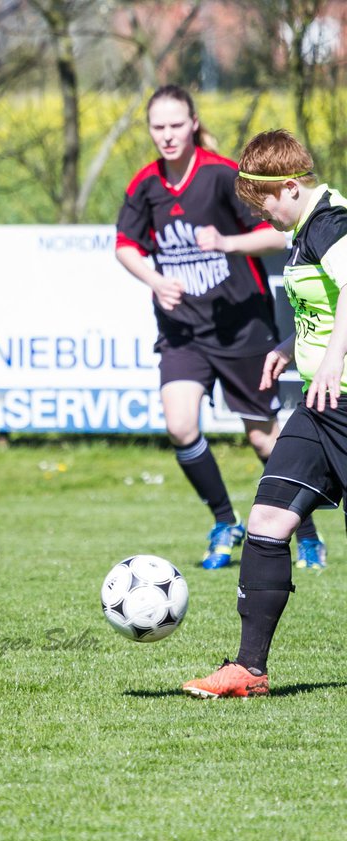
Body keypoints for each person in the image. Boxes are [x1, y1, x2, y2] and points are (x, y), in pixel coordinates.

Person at [115, 85, 325, 571]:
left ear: (192, 124)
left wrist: (227, 242)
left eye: (174, 125)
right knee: (180, 423)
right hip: (182, 330)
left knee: (262, 439)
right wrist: (153, 278)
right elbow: (124, 244)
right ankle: (223, 519)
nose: (166, 135)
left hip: (239, 326)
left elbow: (276, 229)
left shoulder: (221, 174)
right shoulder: (145, 184)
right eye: (157, 127)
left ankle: (306, 529)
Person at [182, 128, 346, 698]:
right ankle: (249, 670)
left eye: (264, 203)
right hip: (321, 407)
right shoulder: (303, 231)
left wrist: (331, 359)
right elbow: (320, 308)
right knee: (267, 522)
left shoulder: (330, 223)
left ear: (290, 185)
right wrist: (289, 350)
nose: (263, 215)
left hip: (341, 397)